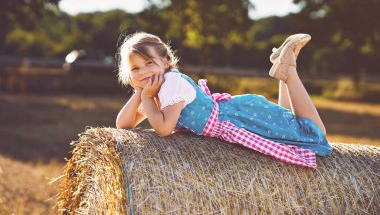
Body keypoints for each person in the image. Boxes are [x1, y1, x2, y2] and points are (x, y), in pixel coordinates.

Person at [115, 32, 333, 168]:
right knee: (289, 124)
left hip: (237, 119)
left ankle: (289, 72)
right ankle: (283, 72)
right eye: (135, 68)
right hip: (235, 117)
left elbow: (163, 128)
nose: (143, 72)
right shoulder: (156, 90)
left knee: (313, 133)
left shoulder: (172, 83)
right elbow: (124, 125)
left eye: (149, 63)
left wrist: (146, 96)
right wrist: (139, 93)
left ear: (165, 60)